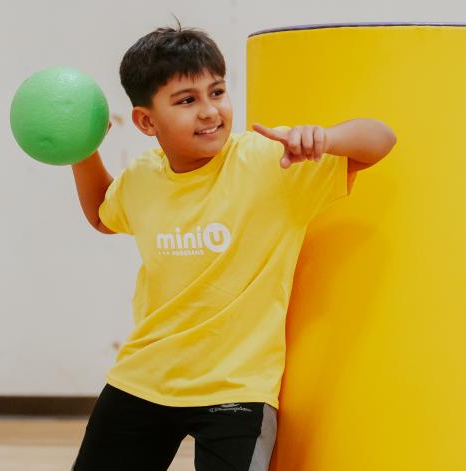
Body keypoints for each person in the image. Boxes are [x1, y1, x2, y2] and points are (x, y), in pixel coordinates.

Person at [70, 24, 396, 471]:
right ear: (147, 121)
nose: (210, 111)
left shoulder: (270, 163)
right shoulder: (143, 177)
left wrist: (326, 137)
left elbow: (381, 140)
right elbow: (102, 215)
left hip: (236, 390)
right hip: (143, 378)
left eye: (217, 92)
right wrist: (80, 150)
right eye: (187, 100)